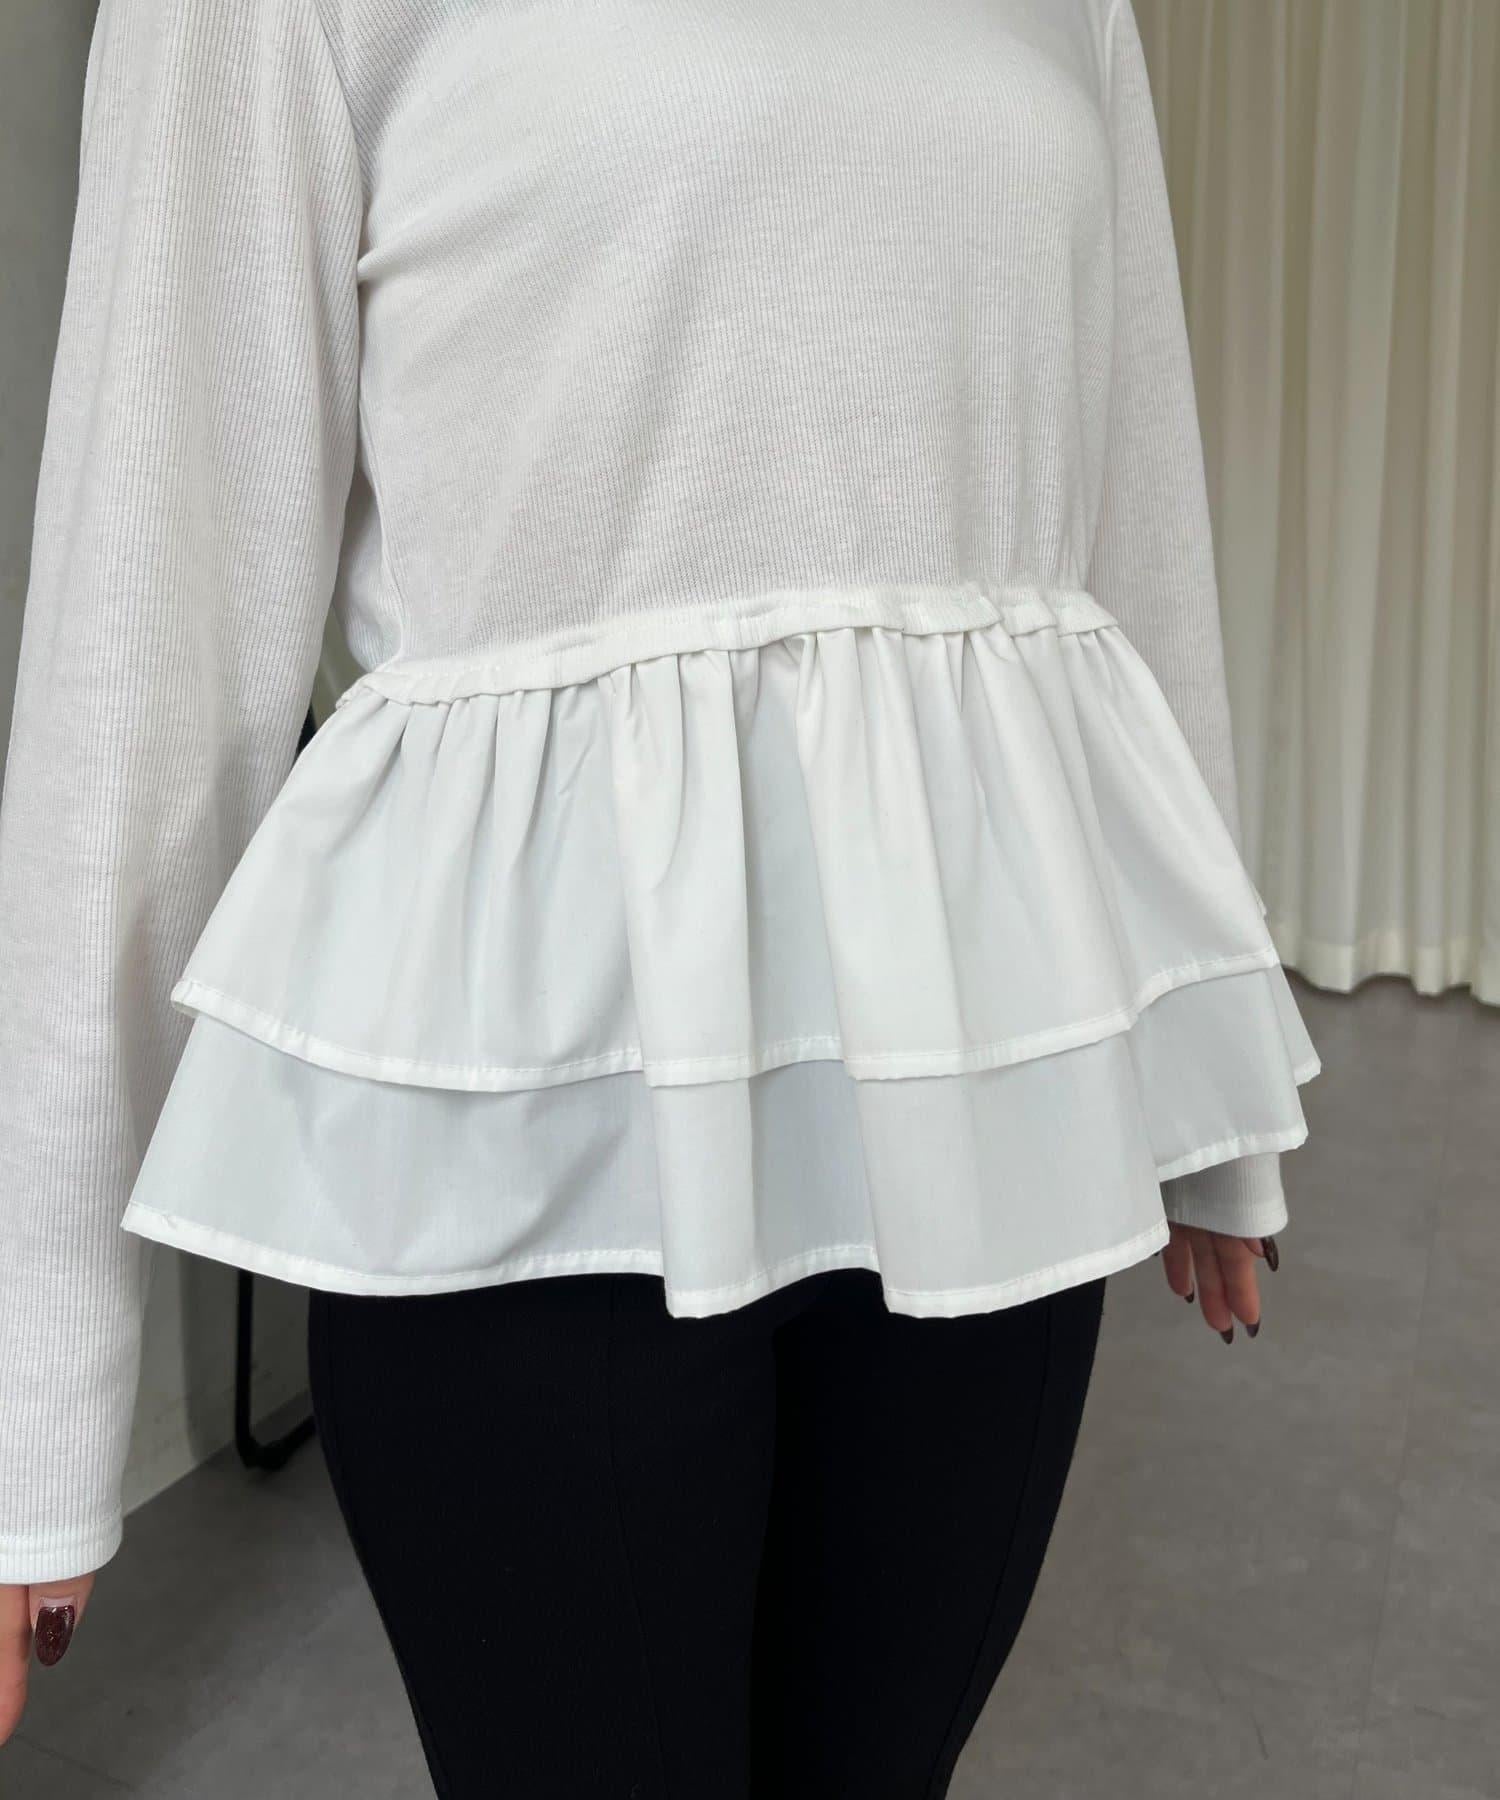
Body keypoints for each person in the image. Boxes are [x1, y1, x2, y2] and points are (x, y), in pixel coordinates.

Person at [0, 0, 1319, 1791]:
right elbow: (145, 642)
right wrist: (33, 1394)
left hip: (981, 1074)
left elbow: (1131, 514)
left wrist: (1206, 1096)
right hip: (538, 1100)